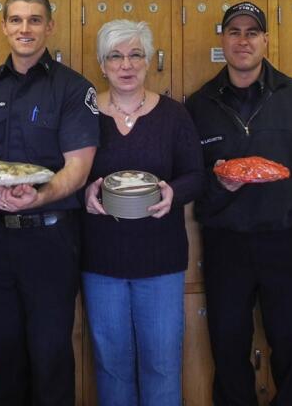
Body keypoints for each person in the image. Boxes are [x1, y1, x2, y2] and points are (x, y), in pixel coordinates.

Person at [184, 1, 292, 406]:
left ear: (266, 40)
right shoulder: (200, 104)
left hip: (286, 241)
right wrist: (221, 189)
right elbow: (192, 178)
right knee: (228, 346)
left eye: (252, 32)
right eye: (234, 32)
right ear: (223, 39)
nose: (243, 40)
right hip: (225, 243)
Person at [0, 0, 99, 405]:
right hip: (0, 239)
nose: (25, 29)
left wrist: (37, 198)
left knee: (50, 353)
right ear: (4, 27)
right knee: (3, 354)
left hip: (52, 240)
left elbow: (77, 167)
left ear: (49, 27)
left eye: (34, 20)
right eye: (17, 20)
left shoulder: (74, 88)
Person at [81, 20, 204, 405]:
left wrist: (174, 191)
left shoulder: (174, 115)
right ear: (102, 64)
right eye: (115, 56)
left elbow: (196, 175)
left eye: (136, 54)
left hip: (160, 262)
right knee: (111, 363)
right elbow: (66, 171)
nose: (126, 64)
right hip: (101, 262)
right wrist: (84, 191)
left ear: (150, 61)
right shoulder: (84, 114)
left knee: (163, 364)